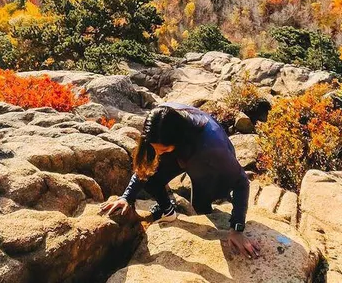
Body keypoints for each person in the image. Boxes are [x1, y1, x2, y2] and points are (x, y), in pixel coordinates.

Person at [99, 102, 261, 259]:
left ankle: (210, 207)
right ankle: (167, 211)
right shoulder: (159, 124)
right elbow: (144, 168)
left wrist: (237, 229)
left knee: (201, 204)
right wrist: (127, 196)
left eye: (162, 149)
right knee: (150, 179)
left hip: (206, 158)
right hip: (181, 149)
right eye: (155, 147)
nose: (158, 153)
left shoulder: (212, 149)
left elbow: (241, 182)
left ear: (177, 140)